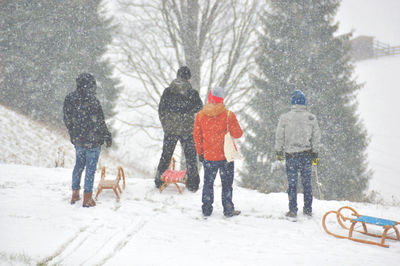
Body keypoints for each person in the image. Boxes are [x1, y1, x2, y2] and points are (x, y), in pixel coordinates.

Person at [63, 73, 112, 207]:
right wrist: (107, 135)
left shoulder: (70, 98)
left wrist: (73, 132)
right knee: (90, 168)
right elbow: (100, 121)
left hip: (78, 140)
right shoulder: (92, 100)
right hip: (93, 140)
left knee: (78, 165)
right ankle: (87, 198)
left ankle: (75, 194)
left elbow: (67, 119)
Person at [193, 86, 243, 217]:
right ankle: (228, 209)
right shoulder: (228, 115)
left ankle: (206, 209)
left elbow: (197, 136)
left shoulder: (201, 115)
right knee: (227, 184)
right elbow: (238, 134)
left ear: (210, 97)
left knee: (208, 184)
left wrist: (200, 153)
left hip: (209, 156)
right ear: (222, 99)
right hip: (226, 156)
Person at [155, 66, 203, 192]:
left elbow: (161, 110)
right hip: (187, 130)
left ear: (178, 75)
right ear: (188, 78)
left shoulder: (168, 91)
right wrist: (188, 113)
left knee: (166, 155)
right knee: (191, 157)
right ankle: (193, 184)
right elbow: (200, 107)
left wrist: (166, 124)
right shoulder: (192, 93)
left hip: (170, 130)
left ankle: (159, 180)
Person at [275, 90, 321, 217]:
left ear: (292, 102)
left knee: (292, 183)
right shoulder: (311, 117)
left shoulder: (285, 118)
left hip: (291, 155)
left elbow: (279, 136)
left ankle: (293, 209)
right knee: (307, 183)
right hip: (306, 154)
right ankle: (307, 208)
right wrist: (315, 153)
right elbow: (316, 137)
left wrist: (279, 151)